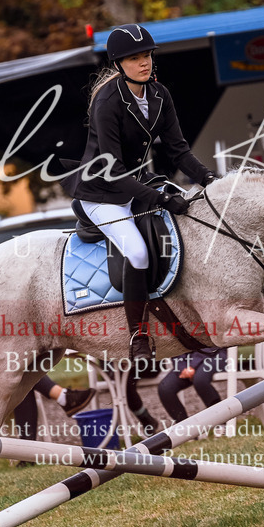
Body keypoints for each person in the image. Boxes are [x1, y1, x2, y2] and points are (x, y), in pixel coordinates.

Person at [62, 24, 216, 377]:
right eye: (135, 58)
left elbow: (178, 150)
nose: (144, 62)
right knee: (137, 251)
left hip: (135, 185)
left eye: (147, 55)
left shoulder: (160, 94)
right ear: (119, 64)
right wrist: (159, 196)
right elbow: (114, 168)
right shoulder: (107, 101)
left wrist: (209, 179)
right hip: (101, 193)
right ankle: (139, 338)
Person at [157, 348, 225, 426]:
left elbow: (209, 345)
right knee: (165, 388)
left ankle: (222, 422)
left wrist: (193, 366)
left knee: (200, 380)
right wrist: (182, 368)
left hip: (215, 355)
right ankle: (186, 430)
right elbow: (174, 349)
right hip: (187, 363)